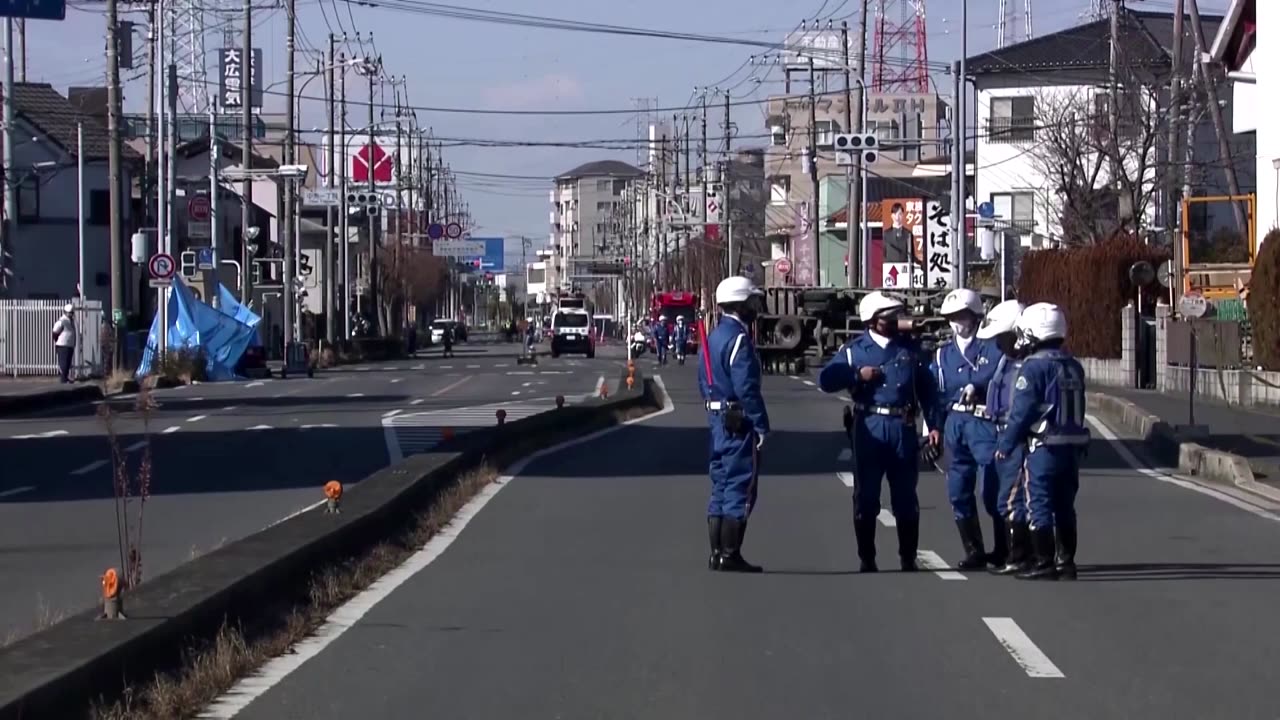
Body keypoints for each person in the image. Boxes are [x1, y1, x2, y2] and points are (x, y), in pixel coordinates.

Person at [819, 291, 940, 572]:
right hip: (869, 426)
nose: (896, 321)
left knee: (906, 495)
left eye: (897, 315)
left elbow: (928, 390)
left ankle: (908, 556)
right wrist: (856, 375)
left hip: (903, 427)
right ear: (873, 320)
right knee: (867, 495)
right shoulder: (855, 350)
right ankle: (867, 557)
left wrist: (934, 426)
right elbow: (826, 380)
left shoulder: (909, 350)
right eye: (889, 317)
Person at [995, 303, 1089, 581]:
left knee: (1038, 502)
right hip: (1071, 446)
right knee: (1065, 505)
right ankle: (1066, 562)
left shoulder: (1033, 368)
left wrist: (1006, 444)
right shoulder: (1074, 366)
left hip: (1043, 445)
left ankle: (1044, 561)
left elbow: (1022, 412)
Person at [700, 276, 770, 573]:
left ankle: (716, 553)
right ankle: (730, 553)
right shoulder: (739, 338)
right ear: (741, 304)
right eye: (752, 302)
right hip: (738, 419)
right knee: (740, 484)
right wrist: (761, 423)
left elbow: (703, 380)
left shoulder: (714, 336)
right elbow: (746, 388)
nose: (756, 307)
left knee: (720, 485)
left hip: (716, 417)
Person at [932, 288, 1005, 570]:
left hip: (983, 423)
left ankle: (1003, 549)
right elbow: (935, 396)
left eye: (962, 316)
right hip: (954, 423)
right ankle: (973, 550)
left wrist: (980, 387)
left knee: (992, 488)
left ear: (976, 316)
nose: (957, 323)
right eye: (951, 317)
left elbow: (1000, 379)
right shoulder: (941, 355)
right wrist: (932, 431)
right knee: (957, 488)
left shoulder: (993, 348)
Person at [976, 299, 1029, 575]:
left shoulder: (1026, 365)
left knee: (1012, 499)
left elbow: (1020, 409)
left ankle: (1019, 555)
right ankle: (1008, 551)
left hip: (1015, 438)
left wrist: (1009, 440)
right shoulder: (1005, 361)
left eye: (1001, 337)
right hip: (999, 432)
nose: (997, 343)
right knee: (997, 496)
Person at [51, 303, 77, 383]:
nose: (71, 314)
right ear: (65, 312)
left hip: (70, 345)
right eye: (69, 312)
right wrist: (57, 341)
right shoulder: (61, 321)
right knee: (64, 363)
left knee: (68, 363)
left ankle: (65, 378)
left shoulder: (71, 321)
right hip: (62, 345)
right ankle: (63, 379)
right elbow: (55, 332)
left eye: (72, 312)